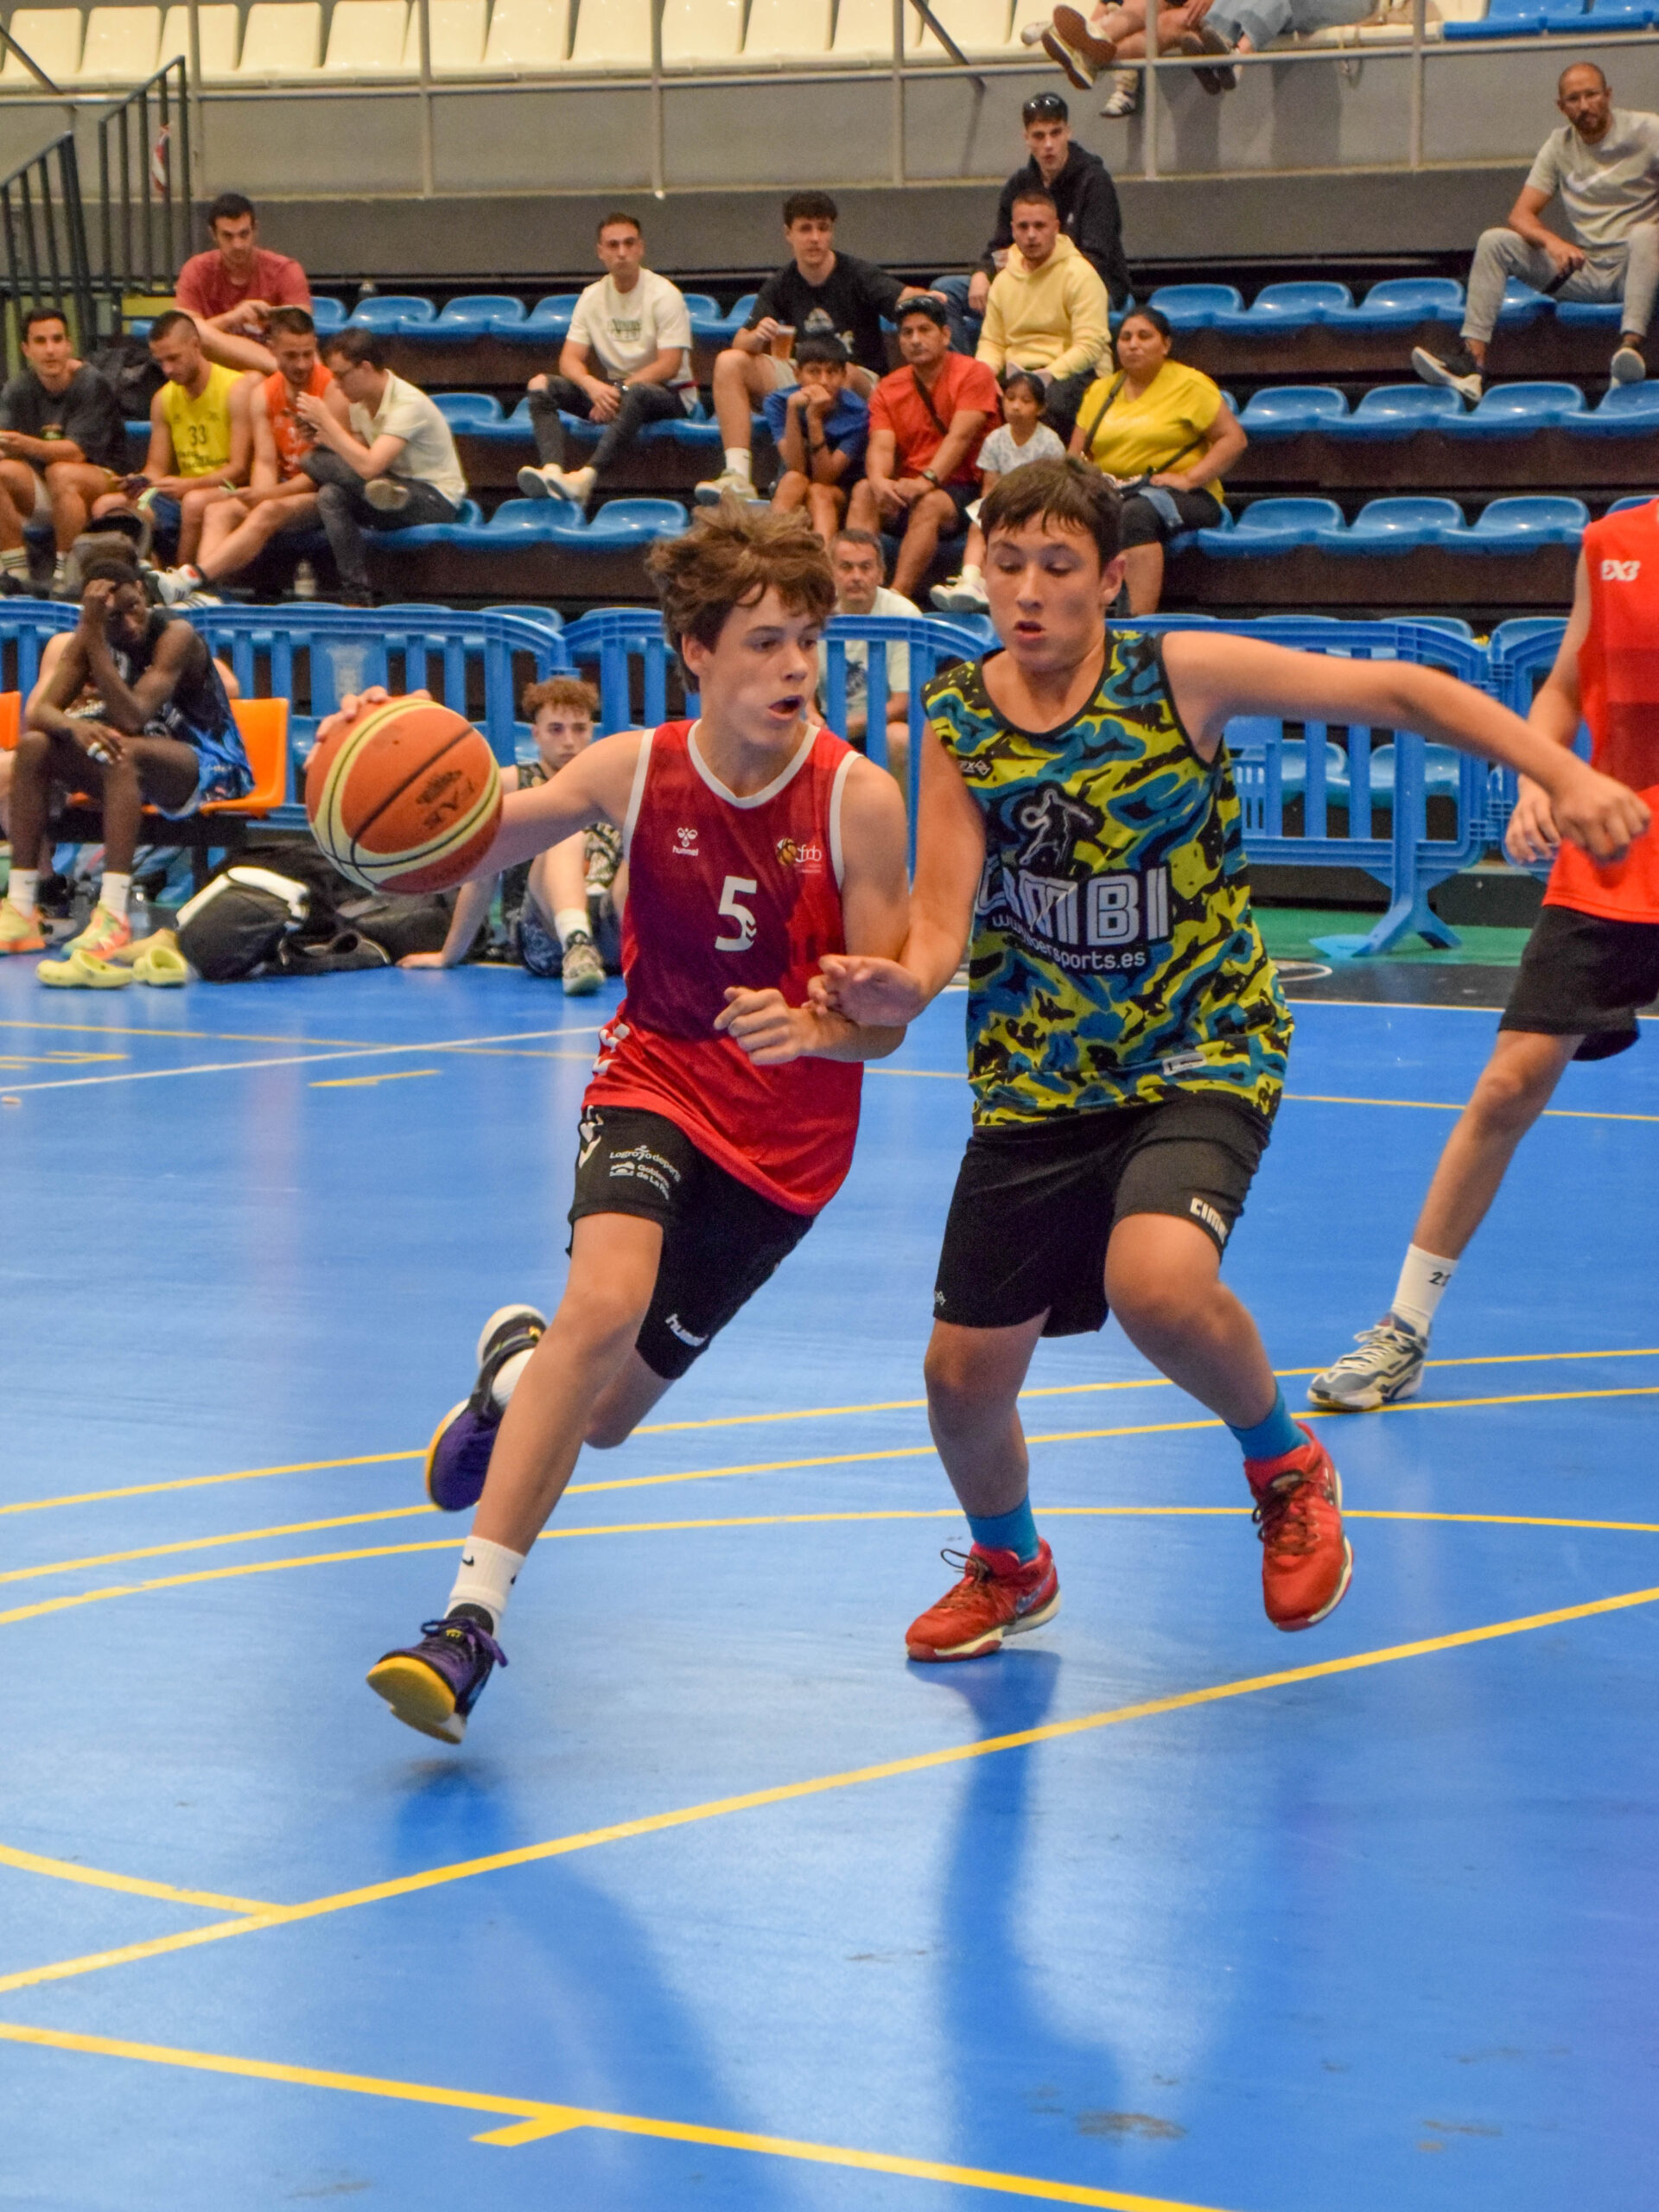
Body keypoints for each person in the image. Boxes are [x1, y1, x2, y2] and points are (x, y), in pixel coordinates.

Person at [811, 458, 1645, 1662]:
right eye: (1008, 564)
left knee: (1156, 1283)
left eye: (1059, 567)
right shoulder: (957, 719)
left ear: (1111, 580)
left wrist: (1561, 771)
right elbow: (941, 916)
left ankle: (1286, 1467)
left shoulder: (1176, 676)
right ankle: (1011, 1564)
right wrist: (906, 978)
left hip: (1200, 1048)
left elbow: (1402, 691)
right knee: (960, 1380)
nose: (1029, 592)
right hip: (1040, 1072)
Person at [360, 503, 911, 1745]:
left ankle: (513, 1372)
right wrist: (374, 779)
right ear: (695, 652)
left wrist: (821, 1026)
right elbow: (462, 845)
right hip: (655, 1074)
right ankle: (466, 1626)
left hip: (788, 1149)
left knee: (601, 1413)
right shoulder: (632, 769)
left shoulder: (858, 800)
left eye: (809, 641)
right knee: (604, 1303)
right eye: (765, 642)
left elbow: (884, 1024)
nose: (794, 667)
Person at [1309, 518, 1659, 1412]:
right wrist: (1542, 777)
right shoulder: (1613, 544)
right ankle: (1404, 1329)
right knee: (1509, 1084)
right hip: (1618, 848)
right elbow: (1567, 682)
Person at [0, 560, 252, 963]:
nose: (130, 622)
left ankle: (113, 915)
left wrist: (95, 642)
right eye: (114, 617)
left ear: (142, 591)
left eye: (134, 606)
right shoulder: (90, 637)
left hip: (208, 766)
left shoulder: (176, 635)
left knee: (121, 750)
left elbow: (131, 718)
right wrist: (74, 727)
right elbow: (40, 712)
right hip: (135, 764)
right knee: (33, 747)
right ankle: (22, 907)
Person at [1414, 64, 1659, 404]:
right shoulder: (1559, 146)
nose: (1584, 105)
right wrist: (1553, 242)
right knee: (1494, 241)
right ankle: (1471, 363)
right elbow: (1521, 215)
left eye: (1591, 95)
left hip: (1644, 266)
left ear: (1608, 95)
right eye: (1573, 99)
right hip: (1588, 270)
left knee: (1646, 233)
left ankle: (1630, 349)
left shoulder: (1648, 130)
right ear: (1561, 107)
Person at [696, 191, 938, 506]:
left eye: (823, 229)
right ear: (789, 234)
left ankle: (823, 467)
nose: (815, 238)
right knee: (730, 362)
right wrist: (757, 338)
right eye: (806, 229)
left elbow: (904, 297)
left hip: (860, 379)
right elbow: (741, 340)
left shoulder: (858, 274)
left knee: (841, 373)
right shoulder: (781, 283)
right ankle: (738, 475)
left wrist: (926, 298)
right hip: (806, 378)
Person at [400, 676, 623, 994]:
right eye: (556, 729)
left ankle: (660, 956)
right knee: (563, 831)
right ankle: (576, 942)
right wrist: (449, 955)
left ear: (592, 731)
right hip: (544, 939)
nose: (569, 741)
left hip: (612, 934)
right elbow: (482, 876)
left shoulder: (610, 783)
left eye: (579, 729)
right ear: (536, 734)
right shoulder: (509, 784)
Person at [152, 307, 349, 603]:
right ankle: (208, 595)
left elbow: (322, 471)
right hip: (282, 489)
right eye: (291, 355)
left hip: (324, 494)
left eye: (308, 354)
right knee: (218, 510)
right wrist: (260, 493)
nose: (301, 365)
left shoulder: (332, 389)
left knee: (267, 510)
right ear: (272, 349)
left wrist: (266, 497)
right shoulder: (264, 394)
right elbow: (266, 461)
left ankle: (190, 579)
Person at [516, 211, 698, 512]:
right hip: (615, 392)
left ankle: (586, 478)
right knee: (540, 385)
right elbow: (569, 360)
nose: (622, 252)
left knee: (637, 392)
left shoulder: (665, 294)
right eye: (613, 245)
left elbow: (668, 365)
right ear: (600, 252)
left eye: (629, 243)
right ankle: (552, 472)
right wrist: (592, 386)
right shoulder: (591, 297)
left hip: (670, 394)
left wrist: (619, 390)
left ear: (641, 248)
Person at [1069, 305, 1246, 613]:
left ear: (1165, 344)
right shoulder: (1100, 391)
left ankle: (1136, 626)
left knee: (1136, 513)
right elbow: (1075, 456)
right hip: (1113, 492)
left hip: (1186, 495)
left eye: (1144, 336)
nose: (1133, 344)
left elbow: (1234, 439)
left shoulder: (1190, 384)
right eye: (1125, 337)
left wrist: (1189, 478)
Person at [933, 93, 1131, 352]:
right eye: (1039, 136)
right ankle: (967, 373)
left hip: (1085, 285)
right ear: (1026, 138)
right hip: (1026, 281)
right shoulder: (1019, 184)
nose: (1048, 144)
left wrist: (1032, 270)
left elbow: (1096, 258)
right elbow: (999, 247)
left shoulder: (1094, 181)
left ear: (1068, 132)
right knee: (945, 292)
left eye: (1055, 133)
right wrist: (982, 272)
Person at [297, 329, 467, 608]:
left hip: (433, 498)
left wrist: (328, 423)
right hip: (383, 482)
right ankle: (356, 595)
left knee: (335, 468)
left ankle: (391, 494)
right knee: (327, 489)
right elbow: (357, 456)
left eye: (341, 376)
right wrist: (321, 436)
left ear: (365, 368)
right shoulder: (360, 405)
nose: (336, 385)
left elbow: (369, 465)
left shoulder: (408, 404)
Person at [849, 297, 1000, 602]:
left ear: (945, 335)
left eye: (924, 330)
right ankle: (855, 591)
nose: (915, 340)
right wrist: (879, 481)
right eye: (907, 333)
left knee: (930, 503)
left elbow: (960, 437)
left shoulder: (974, 373)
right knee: (864, 490)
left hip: (961, 488)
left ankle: (896, 599)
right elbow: (881, 444)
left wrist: (926, 481)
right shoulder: (888, 387)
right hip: (908, 485)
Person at [92, 311, 252, 569]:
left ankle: (180, 581)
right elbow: (156, 468)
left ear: (196, 345)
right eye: (160, 361)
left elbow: (240, 470)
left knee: (194, 502)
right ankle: (141, 578)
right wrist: (139, 481)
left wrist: (190, 485)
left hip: (225, 489)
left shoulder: (236, 388)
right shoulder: (163, 398)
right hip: (181, 492)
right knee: (108, 506)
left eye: (174, 358)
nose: (167, 369)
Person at [0, 307, 126, 600]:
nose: (50, 350)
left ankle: (66, 575)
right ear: (26, 349)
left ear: (69, 345)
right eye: (40, 341)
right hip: (47, 487)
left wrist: (25, 444)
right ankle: (15, 575)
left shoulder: (91, 383)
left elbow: (76, 453)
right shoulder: (17, 389)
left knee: (62, 471)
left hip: (105, 482)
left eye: (57, 340)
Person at [976, 187, 1111, 439]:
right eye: (1023, 227)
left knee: (1050, 405)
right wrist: (984, 375)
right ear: (1013, 229)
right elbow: (992, 342)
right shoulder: (1003, 280)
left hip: (1071, 372)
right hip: (1017, 371)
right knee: (975, 399)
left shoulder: (1080, 275)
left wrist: (1043, 378)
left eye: (1040, 226)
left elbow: (1090, 346)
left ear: (1056, 227)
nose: (1031, 235)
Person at [932, 369, 1067, 611]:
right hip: (1003, 502)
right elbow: (989, 486)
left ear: (1040, 408)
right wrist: (992, 509)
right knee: (979, 524)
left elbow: (1054, 487)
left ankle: (988, 588)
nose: (1016, 406)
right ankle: (970, 580)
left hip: (1038, 505)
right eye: (1010, 398)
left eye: (1026, 401)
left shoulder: (1050, 441)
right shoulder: (994, 439)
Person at [174, 191, 311, 377]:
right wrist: (232, 318)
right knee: (196, 331)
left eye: (244, 234)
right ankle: (281, 369)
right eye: (228, 236)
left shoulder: (285, 270)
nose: (237, 244)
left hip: (272, 368)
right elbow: (181, 336)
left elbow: (303, 329)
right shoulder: (196, 270)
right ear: (213, 235)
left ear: (255, 230)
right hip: (216, 371)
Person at [820, 527, 917, 785]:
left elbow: (902, 704)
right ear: (830, 572)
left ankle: (900, 812)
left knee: (900, 738)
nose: (856, 576)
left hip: (882, 725)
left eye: (865, 567)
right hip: (826, 724)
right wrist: (812, 719)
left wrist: (842, 727)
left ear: (881, 573)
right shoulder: (815, 611)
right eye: (846, 567)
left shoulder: (903, 616)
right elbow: (800, 686)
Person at [766, 336, 869, 544]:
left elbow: (824, 478)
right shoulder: (779, 402)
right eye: (814, 372)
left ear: (843, 375)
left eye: (832, 372)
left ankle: (823, 560)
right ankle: (769, 552)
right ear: (797, 374)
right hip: (796, 482)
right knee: (793, 480)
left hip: (840, 490)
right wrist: (792, 411)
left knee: (818, 492)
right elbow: (795, 467)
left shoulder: (858, 412)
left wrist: (814, 419)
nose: (823, 381)